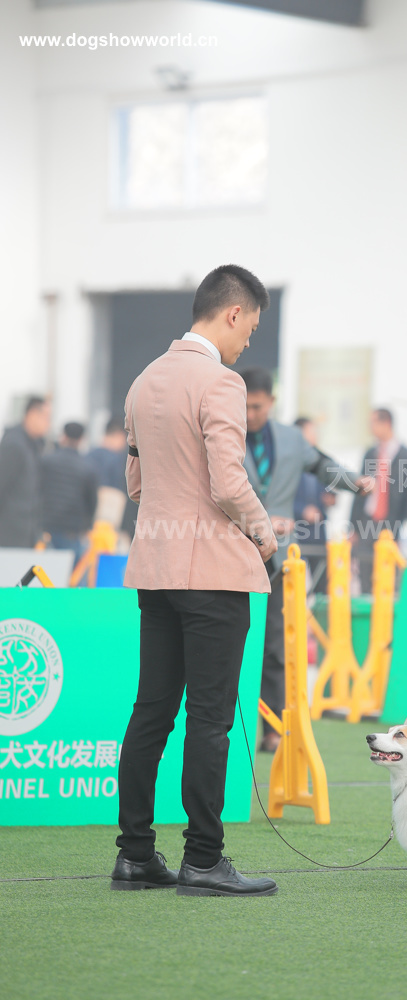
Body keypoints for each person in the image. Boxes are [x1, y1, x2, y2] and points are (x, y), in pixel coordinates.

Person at [112, 264, 279, 898]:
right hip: (212, 572)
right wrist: (263, 533)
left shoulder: (143, 381)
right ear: (233, 313)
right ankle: (204, 860)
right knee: (209, 720)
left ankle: (134, 856)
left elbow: (136, 485)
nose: (246, 342)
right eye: (250, 329)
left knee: (151, 712)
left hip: (155, 568)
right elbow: (229, 483)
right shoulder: (221, 382)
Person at [240, 368, 372, 753]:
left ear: (271, 402)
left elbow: (321, 465)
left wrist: (353, 482)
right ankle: (232, 729)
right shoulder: (222, 433)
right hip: (233, 552)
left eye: (257, 407)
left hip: (279, 557)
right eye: (244, 406)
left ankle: (272, 729)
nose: (250, 414)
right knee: (232, 643)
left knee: (275, 645)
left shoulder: (292, 439)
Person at [350, 408, 407, 593]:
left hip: (392, 524)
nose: (370, 428)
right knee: (364, 571)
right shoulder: (370, 454)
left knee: (388, 576)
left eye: (373, 423)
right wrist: (354, 527)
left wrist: (404, 530)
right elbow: (359, 491)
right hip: (368, 522)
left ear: (386, 423)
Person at [41, 421, 98, 565]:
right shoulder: (88, 468)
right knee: (69, 575)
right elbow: (92, 502)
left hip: (46, 529)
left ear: (63, 436)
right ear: (81, 439)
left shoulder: (46, 461)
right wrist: (87, 526)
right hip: (72, 532)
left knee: (44, 572)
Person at [0, 396, 51, 548]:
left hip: (24, 533)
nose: (48, 424)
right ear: (32, 415)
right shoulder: (14, 444)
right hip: (10, 534)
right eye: (46, 418)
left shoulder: (31, 445)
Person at [293, 417, 335, 594]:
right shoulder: (288, 463)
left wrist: (331, 498)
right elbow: (278, 499)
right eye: (312, 432)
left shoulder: (322, 461)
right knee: (294, 587)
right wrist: (302, 510)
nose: (315, 436)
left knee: (321, 588)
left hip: (318, 533)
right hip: (296, 533)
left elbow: (330, 489)